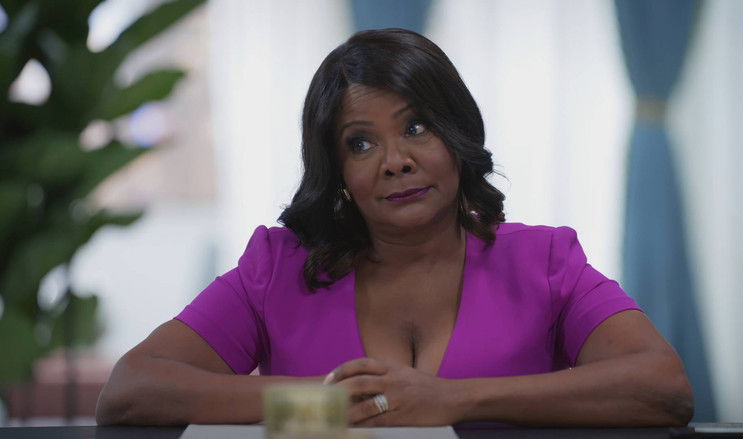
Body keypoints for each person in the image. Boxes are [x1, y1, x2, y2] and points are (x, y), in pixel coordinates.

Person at [96, 28, 693, 427]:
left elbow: (663, 387)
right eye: (361, 143)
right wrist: (327, 405)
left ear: (456, 136)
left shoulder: (544, 260)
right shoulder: (278, 268)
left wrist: (454, 400)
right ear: (337, 170)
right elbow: (130, 391)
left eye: (416, 128)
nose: (395, 161)